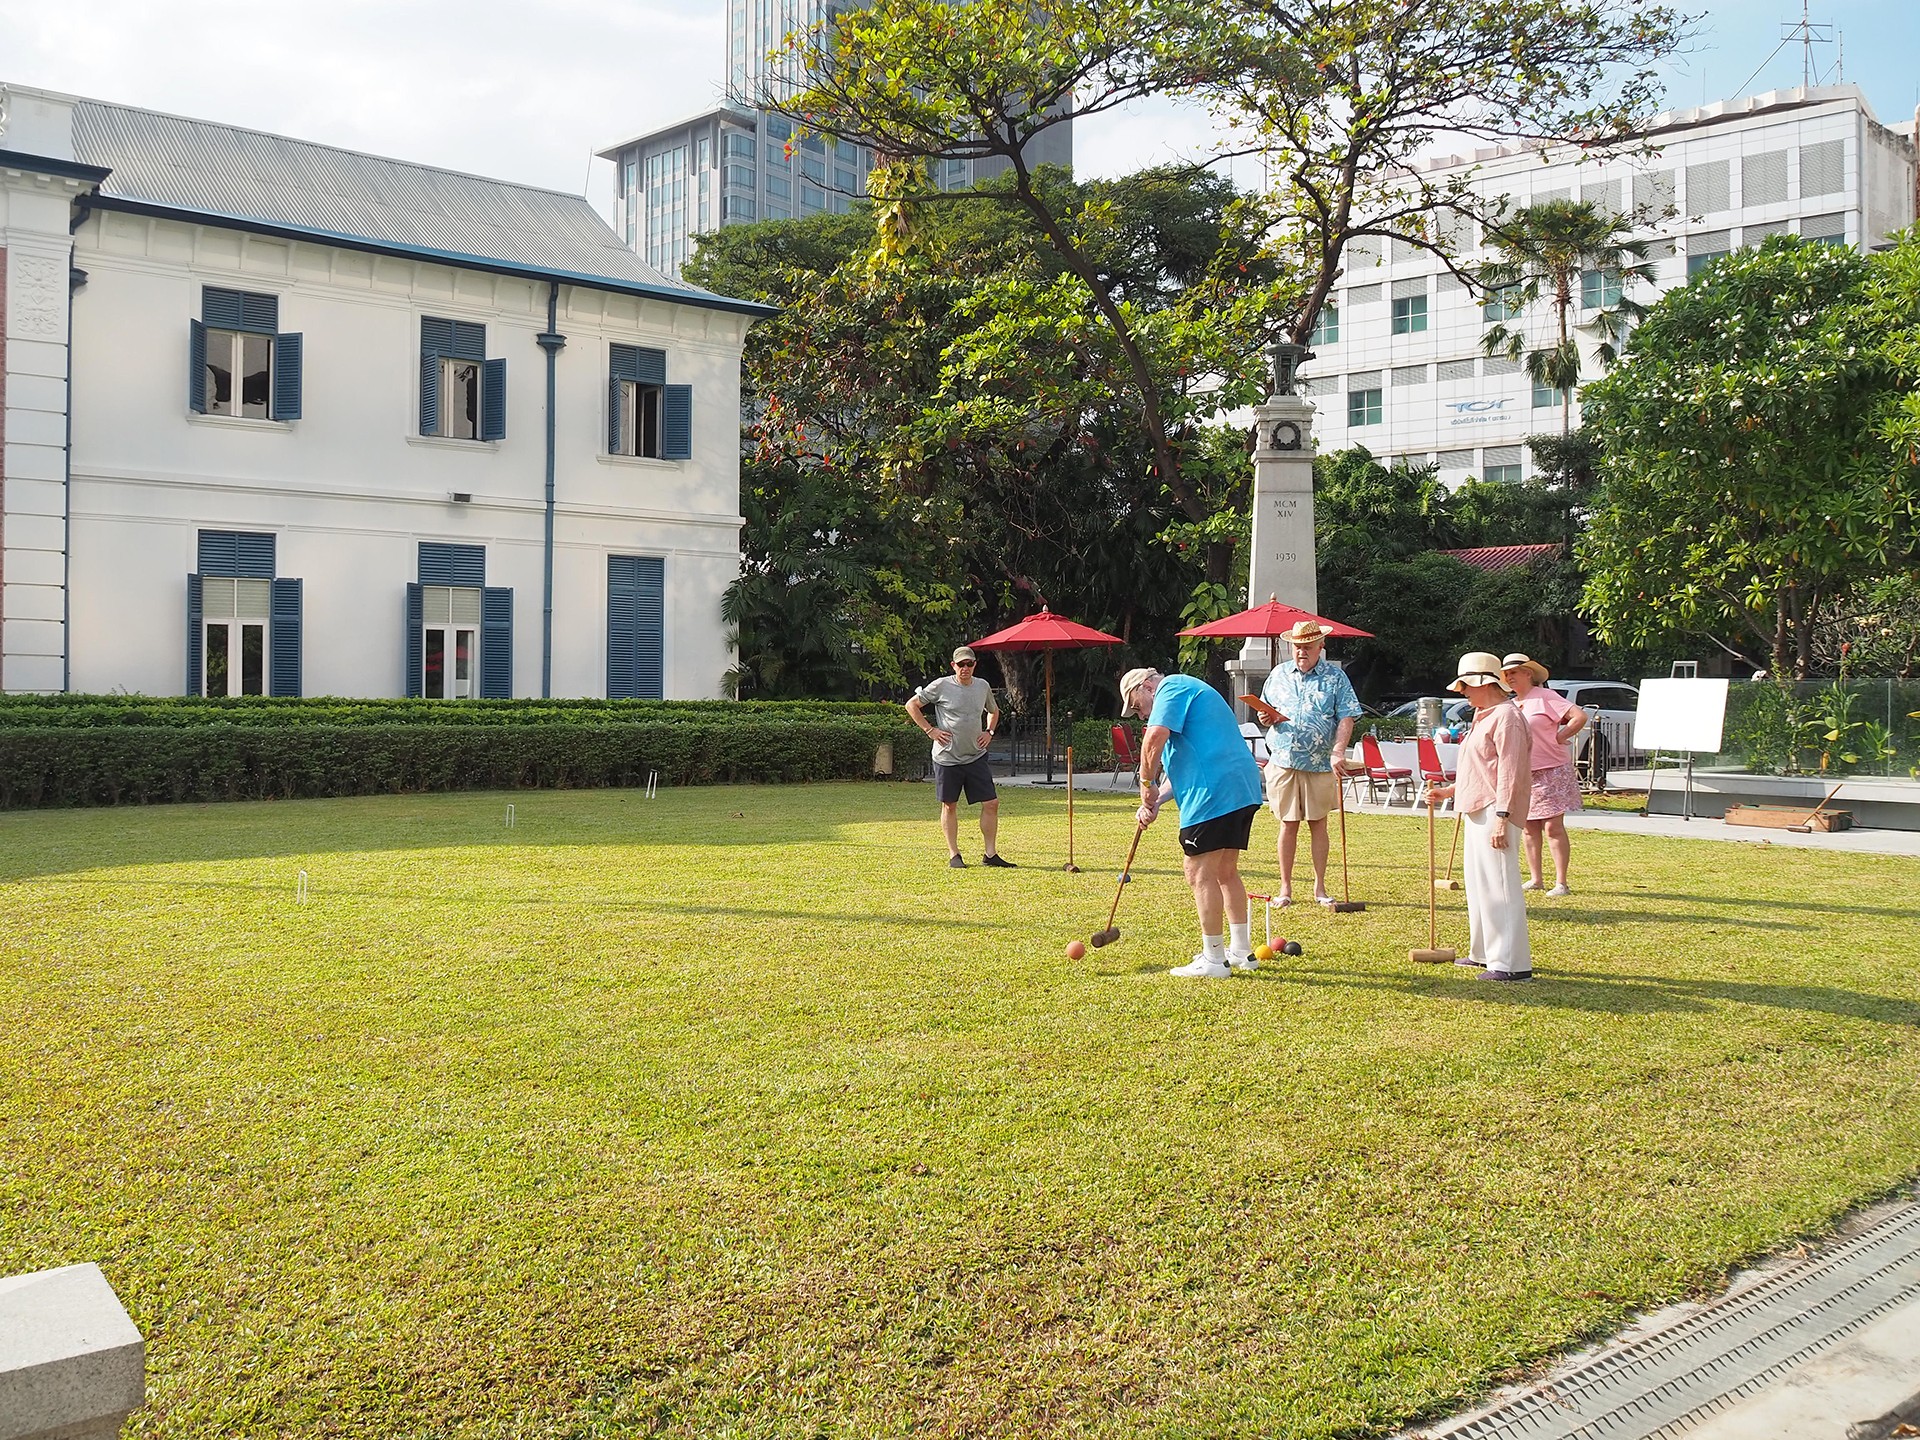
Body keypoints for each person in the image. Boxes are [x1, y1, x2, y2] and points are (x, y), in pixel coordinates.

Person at [1120, 667, 1265, 978]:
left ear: (1147, 686)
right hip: (1240, 788)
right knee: (1225, 871)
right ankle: (1241, 952)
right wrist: (1154, 801)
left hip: (1214, 791)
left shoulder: (1170, 689)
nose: (1142, 715)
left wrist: (1145, 783)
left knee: (1198, 871)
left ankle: (1214, 959)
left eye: (1137, 706)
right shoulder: (1186, 699)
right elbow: (1179, 772)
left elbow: (1153, 738)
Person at [1427, 652, 1532, 981]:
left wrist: (1502, 816)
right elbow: (1481, 767)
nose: (1462, 692)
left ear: (1486, 684)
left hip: (1496, 809)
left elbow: (1510, 772)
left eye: (1466, 686)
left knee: (1499, 886)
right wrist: (1449, 791)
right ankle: (1484, 953)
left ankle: (1511, 964)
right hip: (1477, 807)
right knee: (1478, 885)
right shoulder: (1483, 715)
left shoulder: (1507, 717)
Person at [1250, 620, 1363, 907]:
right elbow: (1266, 711)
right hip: (1284, 760)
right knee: (1287, 825)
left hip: (1320, 762)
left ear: (1320, 646)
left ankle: (1320, 888)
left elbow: (1347, 716)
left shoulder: (1335, 678)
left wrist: (1338, 750)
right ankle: (1285, 889)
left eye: (1308, 647)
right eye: (1297, 646)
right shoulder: (1278, 674)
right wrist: (1266, 717)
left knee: (1318, 824)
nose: (1301, 652)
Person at [906, 646, 1014, 869]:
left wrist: (989, 731)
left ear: (975, 665)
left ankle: (990, 854)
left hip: (975, 755)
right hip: (947, 757)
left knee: (991, 803)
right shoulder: (941, 685)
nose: (965, 668)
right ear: (953, 666)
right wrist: (930, 730)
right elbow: (912, 705)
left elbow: (993, 711)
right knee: (949, 805)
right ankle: (954, 854)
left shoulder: (982, 686)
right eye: (961, 664)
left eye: (969, 664)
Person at [1501, 653, 1587, 898]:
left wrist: (1560, 736)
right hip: (1524, 771)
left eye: (1514, 673)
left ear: (1528, 673)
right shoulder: (1511, 704)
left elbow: (1579, 716)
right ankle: (1536, 879)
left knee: (1553, 827)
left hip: (1552, 769)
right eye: (1506, 674)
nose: (1509, 678)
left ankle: (1561, 882)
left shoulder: (1546, 696)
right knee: (1528, 826)